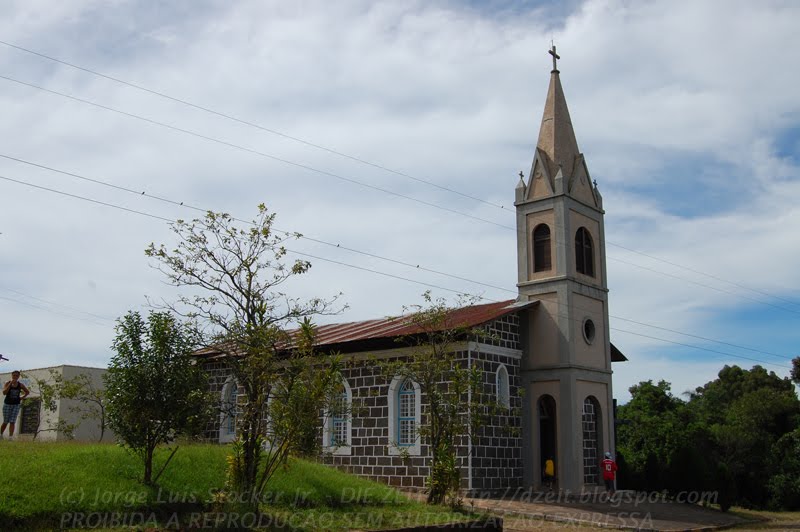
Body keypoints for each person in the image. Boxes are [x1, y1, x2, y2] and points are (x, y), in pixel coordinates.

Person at [1, 371, 30, 439]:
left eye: (16, 376)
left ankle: (10, 437)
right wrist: (10, 384)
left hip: (16, 405)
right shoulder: (7, 383)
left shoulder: (20, 385)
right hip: (7, 404)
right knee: (5, 421)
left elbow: (27, 392)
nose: (15, 377)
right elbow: (4, 393)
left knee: (12, 421)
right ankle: (1, 434)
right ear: (12, 376)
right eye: (14, 375)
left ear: (18, 376)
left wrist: (21, 397)